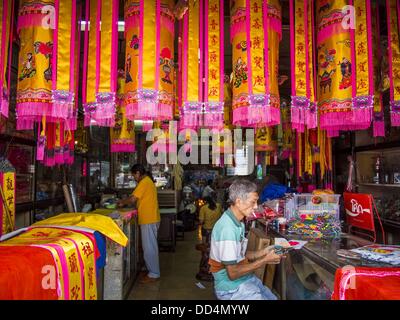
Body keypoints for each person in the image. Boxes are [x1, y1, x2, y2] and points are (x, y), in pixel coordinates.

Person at [209, 179, 285, 300]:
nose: (256, 207)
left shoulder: (238, 222)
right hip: (232, 289)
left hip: (245, 280)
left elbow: (238, 255)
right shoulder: (227, 229)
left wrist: (264, 252)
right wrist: (265, 260)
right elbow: (232, 273)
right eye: (253, 202)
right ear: (238, 202)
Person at [117, 164, 161, 283]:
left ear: (137, 173)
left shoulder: (144, 182)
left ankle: (154, 273)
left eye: (133, 175)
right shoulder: (147, 181)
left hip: (149, 218)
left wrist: (121, 202)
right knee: (149, 246)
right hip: (150, 217)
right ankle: (150, 268)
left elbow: (132, 199)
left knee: (149, 247)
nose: (134, 178)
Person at [196, 193, 222, 281]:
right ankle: (214, 269)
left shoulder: (203, 208)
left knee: (205, 252)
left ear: (205, 201)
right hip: (217, 232)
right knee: (215, 252)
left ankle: (205, 269)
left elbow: (201, 221)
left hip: (206, 232)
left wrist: (199, 222)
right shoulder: (218, 206)